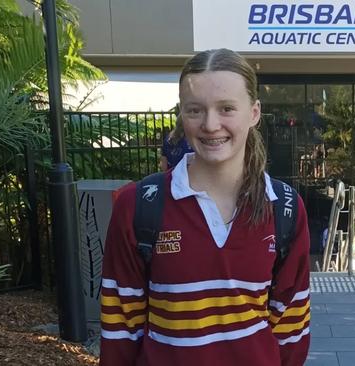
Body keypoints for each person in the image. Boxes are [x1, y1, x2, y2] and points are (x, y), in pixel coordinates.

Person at [100, 49, 311, 366]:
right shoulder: (138, 206)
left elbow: (291, 327)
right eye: (195, 110)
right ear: (182, 115)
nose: (211, 125)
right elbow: (120, 327)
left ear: (253, 113)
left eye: (226, 108)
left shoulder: (285, 209)